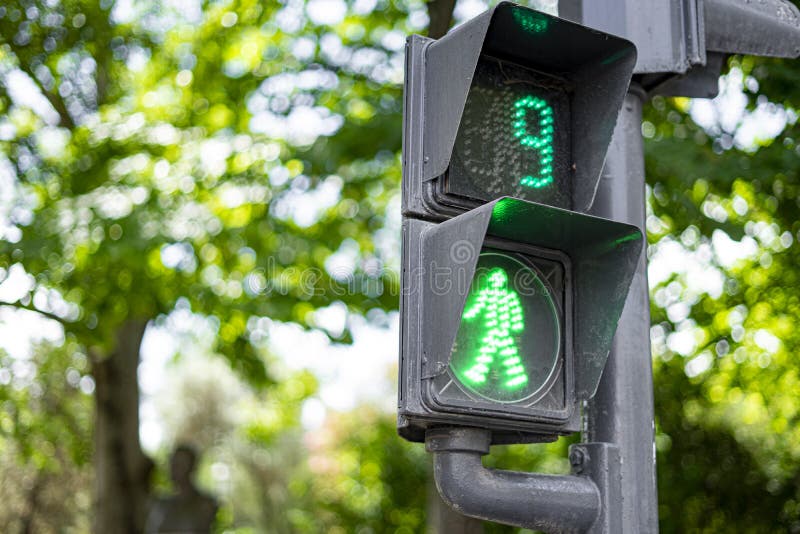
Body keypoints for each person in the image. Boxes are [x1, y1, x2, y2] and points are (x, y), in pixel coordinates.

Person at [145, 444, 218, 534]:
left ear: (192, 467)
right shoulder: (161, 505)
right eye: (173, 463)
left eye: (181, 464)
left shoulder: (205, 504)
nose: (174, 469)